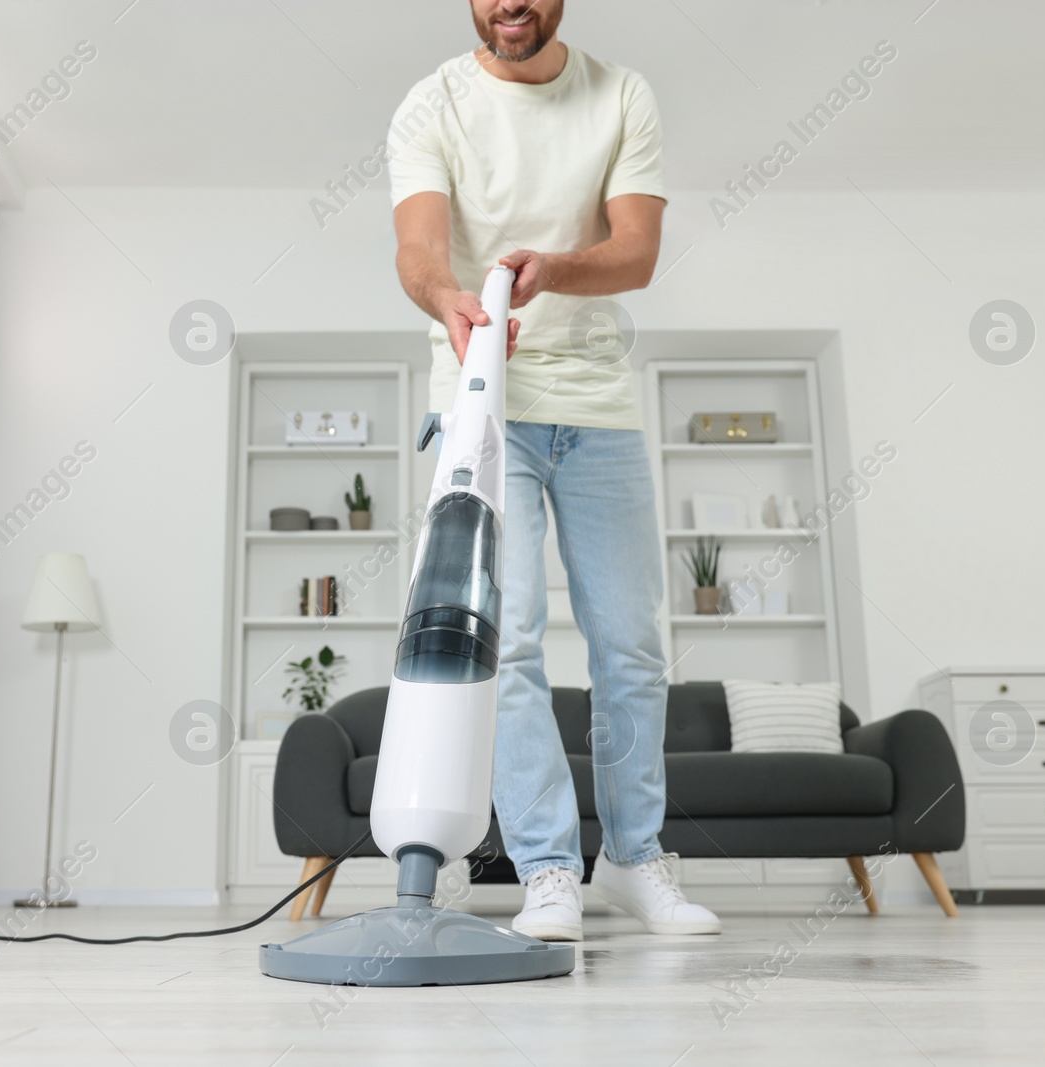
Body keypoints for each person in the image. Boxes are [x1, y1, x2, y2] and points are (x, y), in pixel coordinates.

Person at [387, 0, 721, 940]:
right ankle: (545, 871)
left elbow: (637, 251)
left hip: (597, 405)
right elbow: (418, 248)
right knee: (515, 640)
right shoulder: (431, 106)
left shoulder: (620, 96)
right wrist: (449, 293)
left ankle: (634, 857)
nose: (509, 4)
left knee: (631, 645)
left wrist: (553, 272)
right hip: (481, 399)